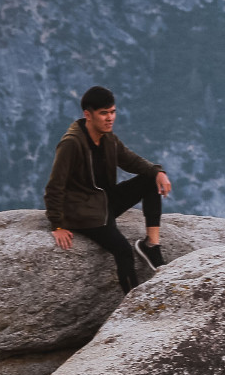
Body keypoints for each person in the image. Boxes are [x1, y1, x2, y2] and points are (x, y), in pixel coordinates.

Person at [44, 85, 173, 293]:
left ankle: (151, 246)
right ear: (88, 114)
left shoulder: (108, 139)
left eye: (112, 112)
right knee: (123, 250)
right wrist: (57, 225)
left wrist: (157, 171)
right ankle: (133, 308)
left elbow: (131, 161)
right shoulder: (71, 144)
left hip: (105, 202)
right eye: (104, 113)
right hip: (84, 212)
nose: (110, 118)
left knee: (149, 180)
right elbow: (54, 187)